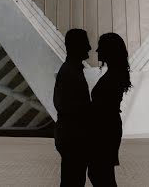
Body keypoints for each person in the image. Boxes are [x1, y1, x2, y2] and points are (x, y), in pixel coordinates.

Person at [88, 33, 131, 187]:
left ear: (110, 51)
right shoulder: (116, 73)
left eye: (101, 47)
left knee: (99, 173)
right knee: (102, 173)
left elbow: (103, 106)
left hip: (105, 129)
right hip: (108, 127)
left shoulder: (113, 75)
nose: (97, 51)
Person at [53, 29, 92, 187]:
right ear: (77, 46)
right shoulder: (70, 72)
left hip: (70, 136)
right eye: (85, 44)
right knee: (73, 180)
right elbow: (67, 105)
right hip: (73, 137)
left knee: (72, 179)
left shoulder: (70, 70)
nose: (89, 48)